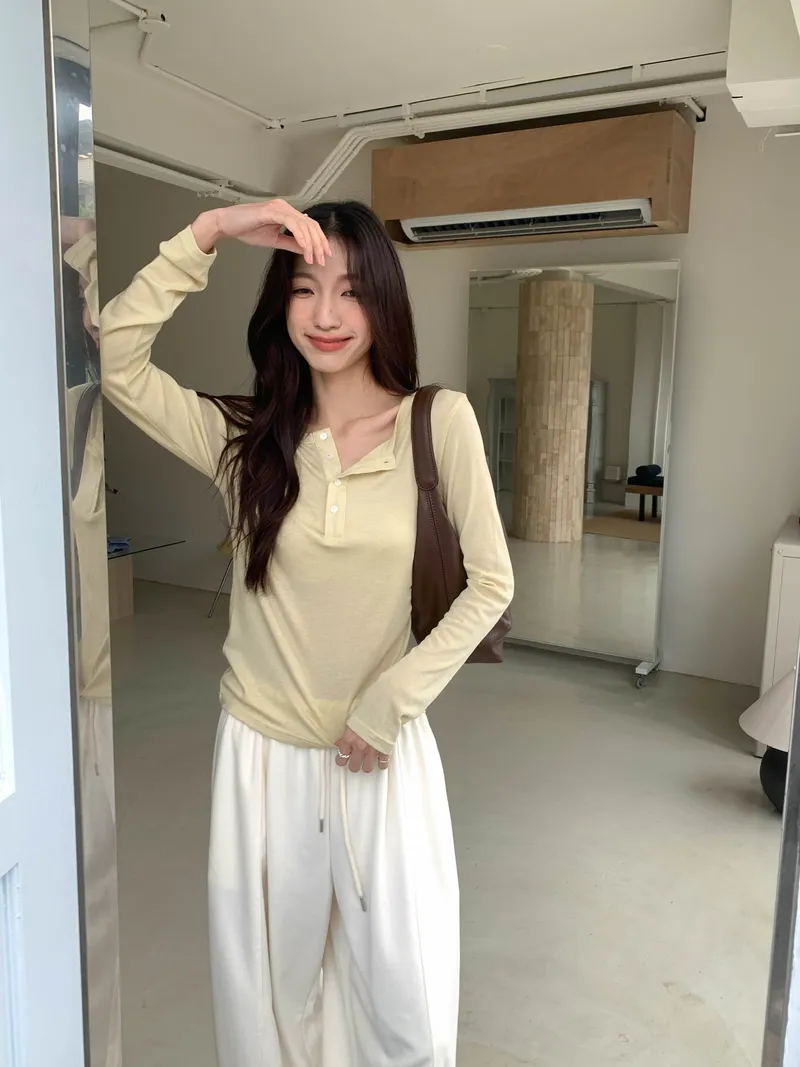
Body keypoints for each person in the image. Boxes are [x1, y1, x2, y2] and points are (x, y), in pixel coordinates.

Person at [100, 197, 514, 1067]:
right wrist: (212, 230)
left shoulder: (438, 422)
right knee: (270, 1010)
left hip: (383, 757)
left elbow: (491, 584)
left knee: (407, 1007)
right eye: (304, 287)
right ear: (280, 303)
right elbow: (114, 358)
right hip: (262, 760)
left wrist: (391, 701)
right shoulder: (244, 439)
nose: (326, 314)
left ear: (384, 303)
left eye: (351, 291)